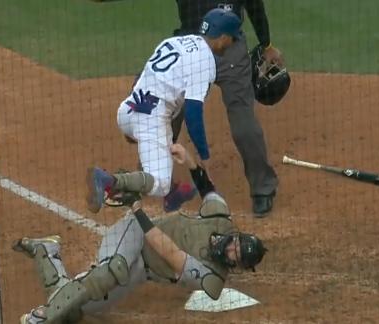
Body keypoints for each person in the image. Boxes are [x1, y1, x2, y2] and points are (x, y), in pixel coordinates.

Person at [14, 144, 268, 323]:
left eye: (237, 257)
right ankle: (44, 316)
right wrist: (189, 159)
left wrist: (137, 207)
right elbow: (206, 186)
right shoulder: (220, 218)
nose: (232, 251)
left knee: (77, 309)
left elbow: (170, 252)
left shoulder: (213, 280)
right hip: (133, 233)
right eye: (236, 244)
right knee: (114, 267)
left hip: (142, 264)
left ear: (238, 266)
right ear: (236, 236)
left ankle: (46, 251)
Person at [86, 8, 243, 215]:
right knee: (160, 184)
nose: (232, 43)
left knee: (170, 118)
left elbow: (141, 77)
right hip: (150, 119)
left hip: (128, 109)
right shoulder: (205, 62)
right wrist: (205, 159)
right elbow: (193, 115)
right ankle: (111, 182)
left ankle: (172, 194)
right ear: (222, 38)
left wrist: (133, 126)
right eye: (232, 38)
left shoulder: (174, 42)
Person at [172, 0, 285, 215]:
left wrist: (267, 43)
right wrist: (266, 44)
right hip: (210, 47)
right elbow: (255, 7)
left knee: (170, 108)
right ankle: (263, 191)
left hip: (202, 48)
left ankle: (146, 177)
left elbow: (254, 5)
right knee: (240, 115)